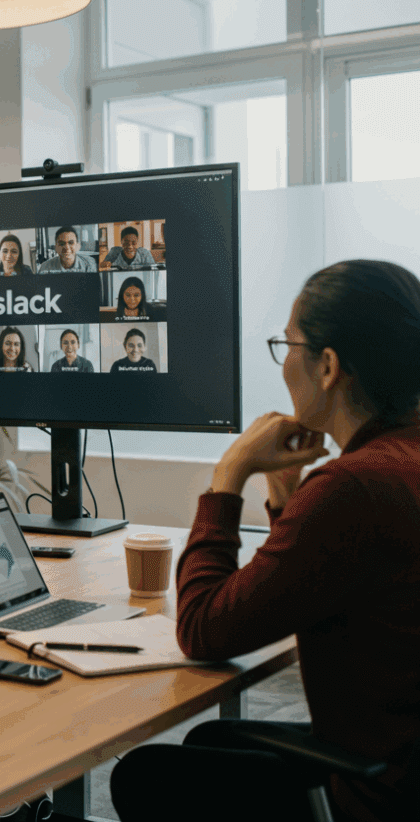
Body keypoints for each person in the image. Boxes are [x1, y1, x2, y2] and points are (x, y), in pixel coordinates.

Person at [110, 259, 420, 822]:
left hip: (376, 797)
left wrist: (228, 477)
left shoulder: (354, 485)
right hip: (402, 759)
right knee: (212, 742)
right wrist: (287, 493)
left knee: (144, 774)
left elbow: (204, 629)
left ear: (327, 366)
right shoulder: (396, 463)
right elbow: (308, 586)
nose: (284, 365)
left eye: (288, 345)